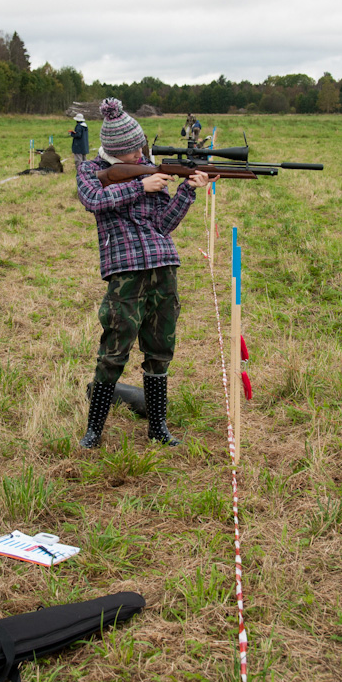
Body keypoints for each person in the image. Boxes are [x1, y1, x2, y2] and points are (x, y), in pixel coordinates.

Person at [75, 98, 209, 449]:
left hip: (163, 265)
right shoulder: (93, 171)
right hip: (125, 270)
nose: (141, 153)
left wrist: (186, 191)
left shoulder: (150, 170)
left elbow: (164, 224)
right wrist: (139, 186)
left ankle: (158, 427)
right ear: (117, 152)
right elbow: (92, 199)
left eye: (142, 146)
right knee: (114, 347)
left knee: (161, 346)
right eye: (134, 150)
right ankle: (93, 432)